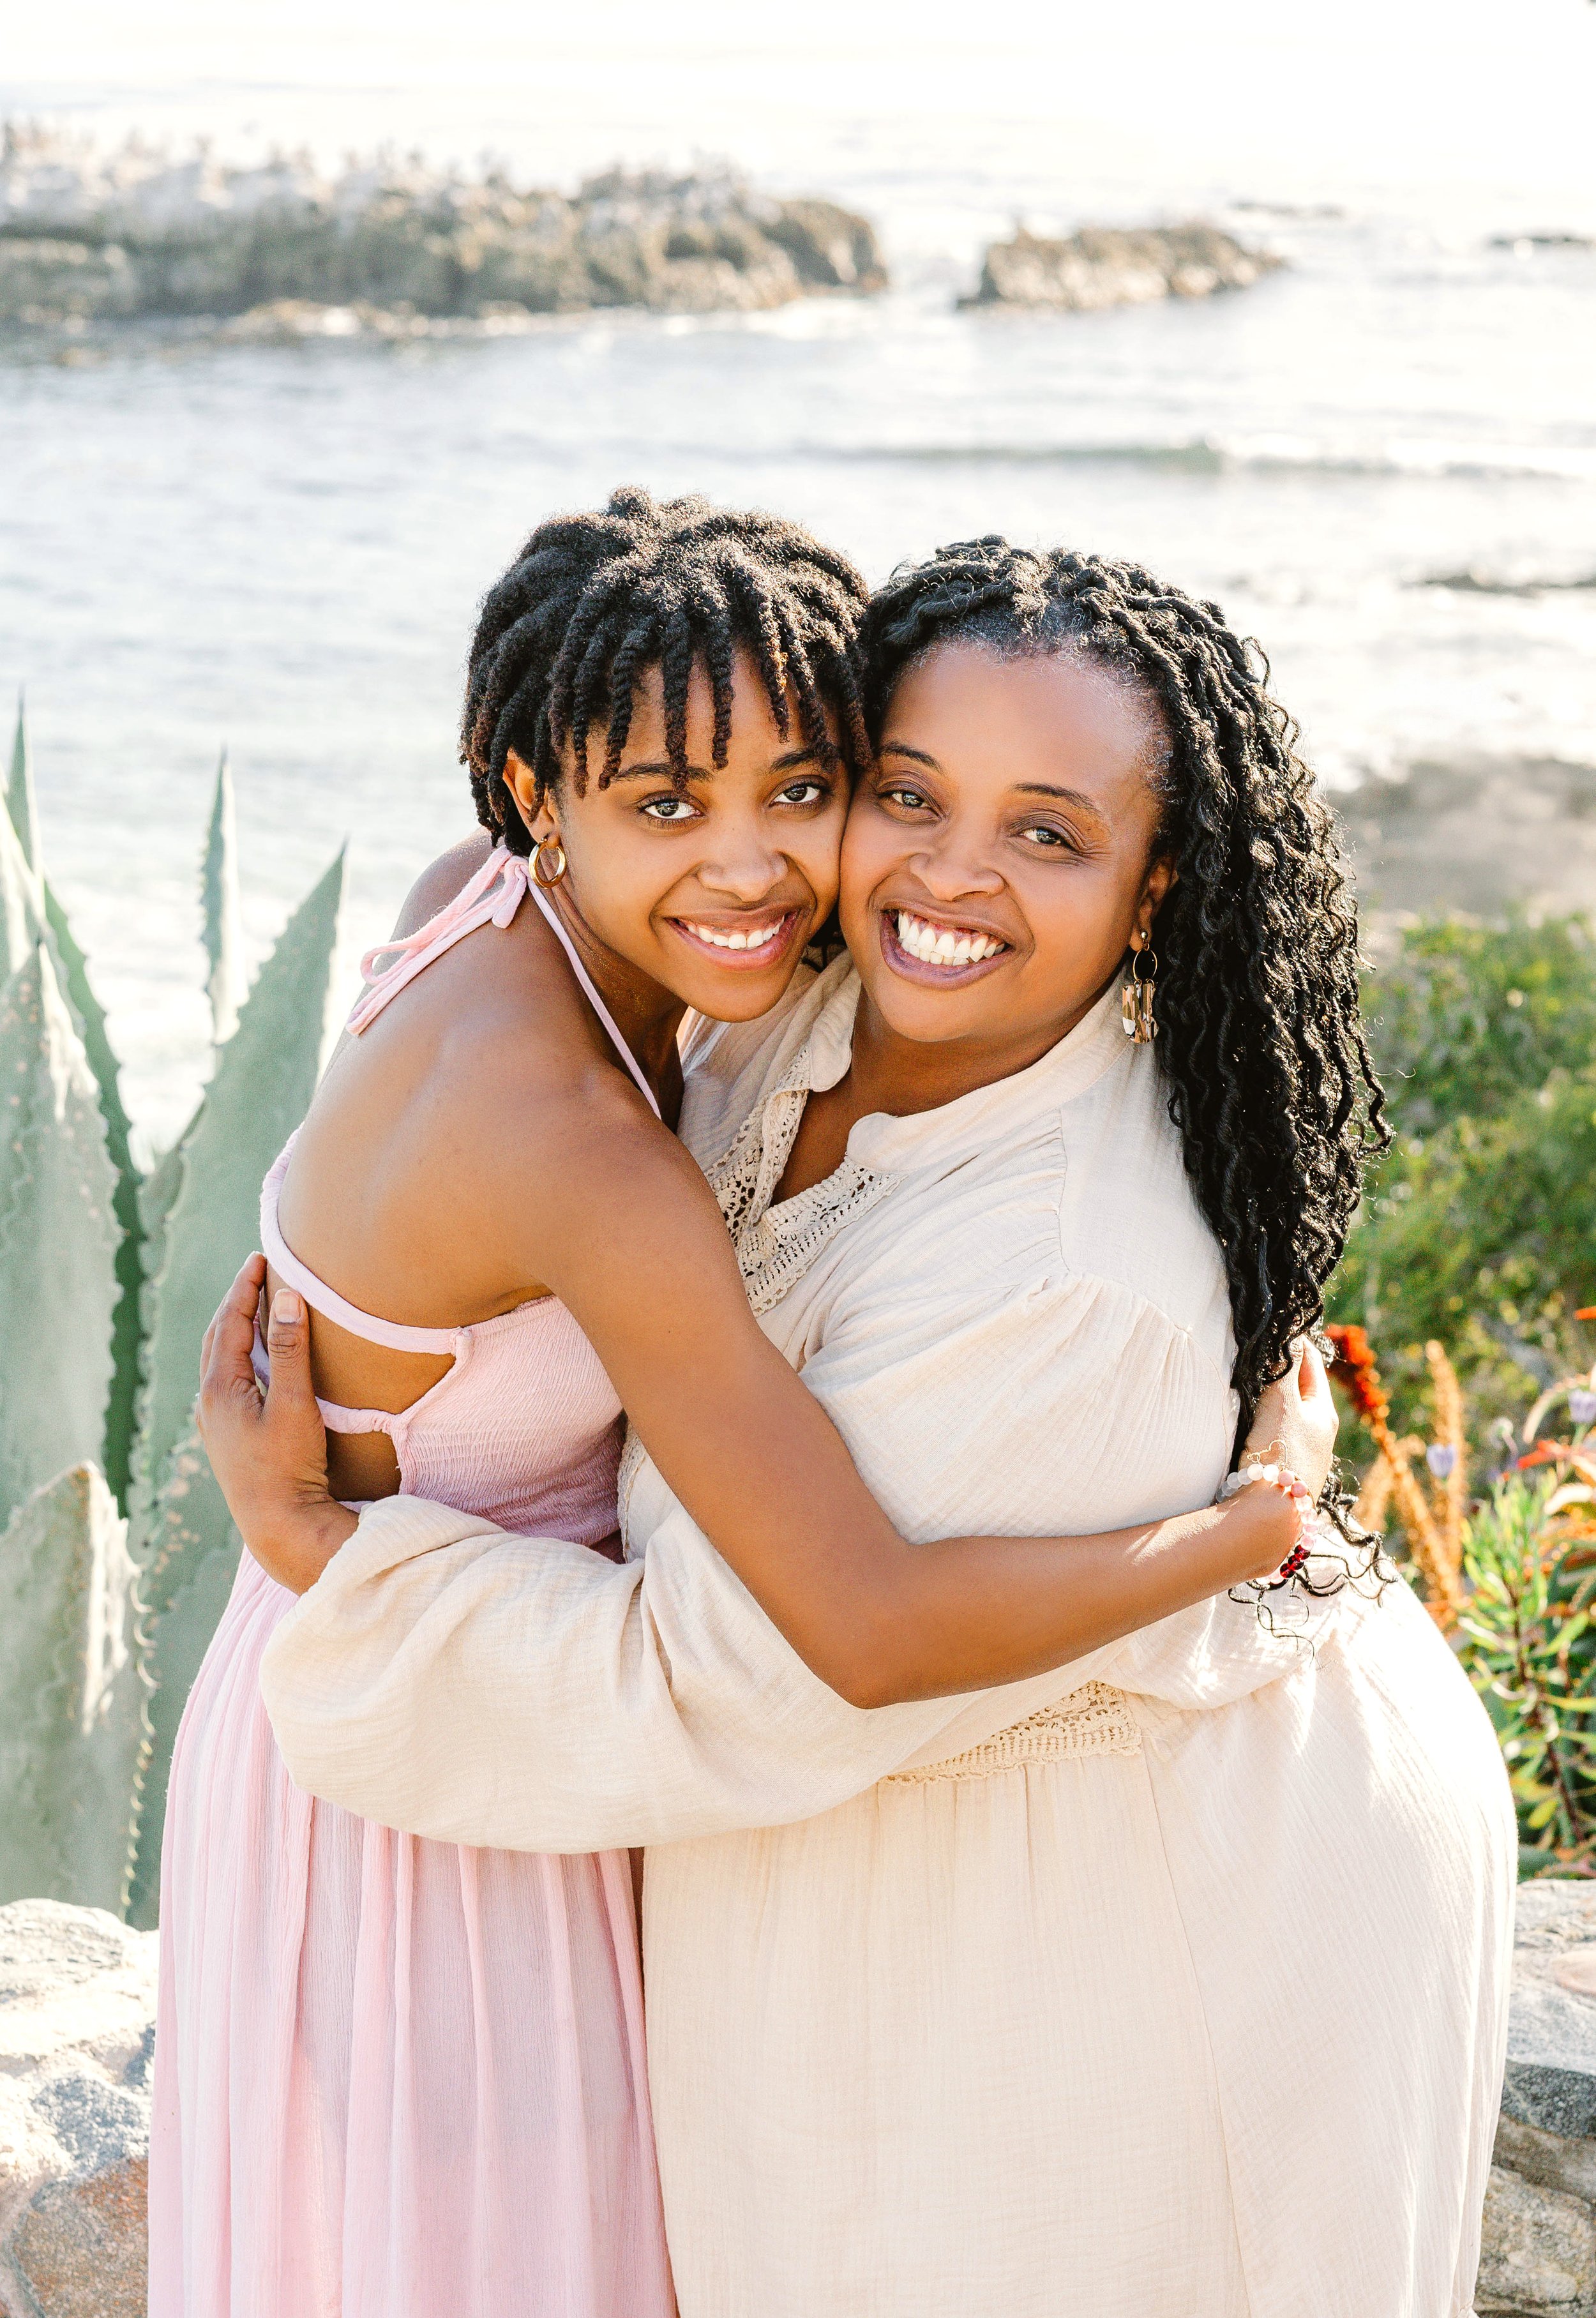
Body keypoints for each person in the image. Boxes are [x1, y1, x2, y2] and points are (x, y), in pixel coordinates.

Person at [202, 537, 1514, 2317]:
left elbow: (801, 1661)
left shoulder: (1065, 1280)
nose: (946, 874)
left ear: (1155, 887)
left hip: (1139, 1909)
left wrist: (321, 1559)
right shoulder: (785, 976)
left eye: (1047, 832)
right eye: (905, 793)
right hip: (828, 1851)